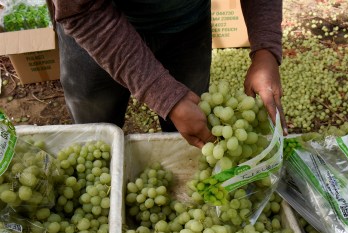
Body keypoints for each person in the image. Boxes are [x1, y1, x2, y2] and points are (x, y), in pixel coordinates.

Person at [46, 0, 287, 148]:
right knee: (95, 136)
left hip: (186, 24)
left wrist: (265, 48)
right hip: (94, 30)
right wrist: (164, 95)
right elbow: (80, 9)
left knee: (193, 128)